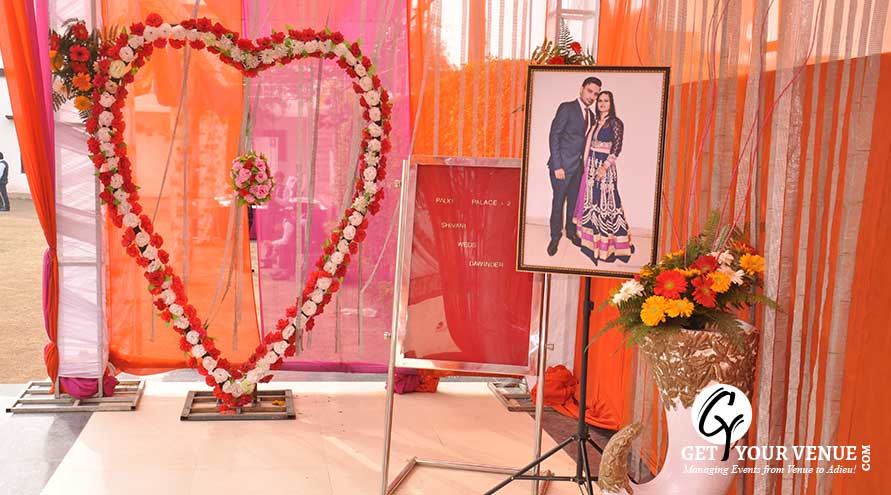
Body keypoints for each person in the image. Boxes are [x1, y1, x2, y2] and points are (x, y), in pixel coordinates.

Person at [572, 90, 634, 264]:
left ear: (611, 103)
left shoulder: (615, 122)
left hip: (604, 167)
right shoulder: (596, 122)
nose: (602, 103)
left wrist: (604, 167)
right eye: (600, 100)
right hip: (591, 165)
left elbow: (617, 148)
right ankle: (591, 243)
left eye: (606, 101)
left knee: (607, 204)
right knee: (592, 202)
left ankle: (610, 245)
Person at [546, 77, 600, 256]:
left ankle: (571, 231)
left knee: (574, 202)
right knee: (558, 201)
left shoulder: (592, 116)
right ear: (581, 89)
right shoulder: (567, 108)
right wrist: (557, 166)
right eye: (589, 91)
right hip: (562, 166)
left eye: (596, 94)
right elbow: (554, 136)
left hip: (578, 168)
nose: (592, 96)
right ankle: (555, 236)